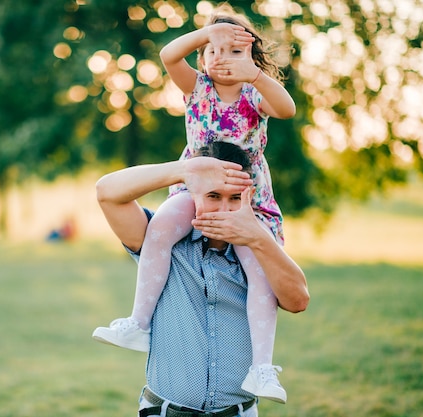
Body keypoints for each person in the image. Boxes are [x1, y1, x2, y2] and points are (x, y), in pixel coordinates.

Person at [92, 3, 296, 403]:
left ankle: (262, 370)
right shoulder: (197, 88)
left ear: (252, 58)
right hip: (193, 191)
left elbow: (287, 109)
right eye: (213, 50)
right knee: (162, 228)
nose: (222, 58)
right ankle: (138, 322)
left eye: (234, 51)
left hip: (246, 199)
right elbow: (169, 54)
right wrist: (209, 34)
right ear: (202, 55)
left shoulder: (255, 95)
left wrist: (253, 72)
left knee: (258, 270)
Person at [95, 141, 309, 416]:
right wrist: (185, 170)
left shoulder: (260, 253)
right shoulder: (161, 240)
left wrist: (258, 239)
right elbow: (106, 192)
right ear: (192, 193)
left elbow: (298, 300)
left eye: (235, 198)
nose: (224, 209)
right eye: (213, 195)